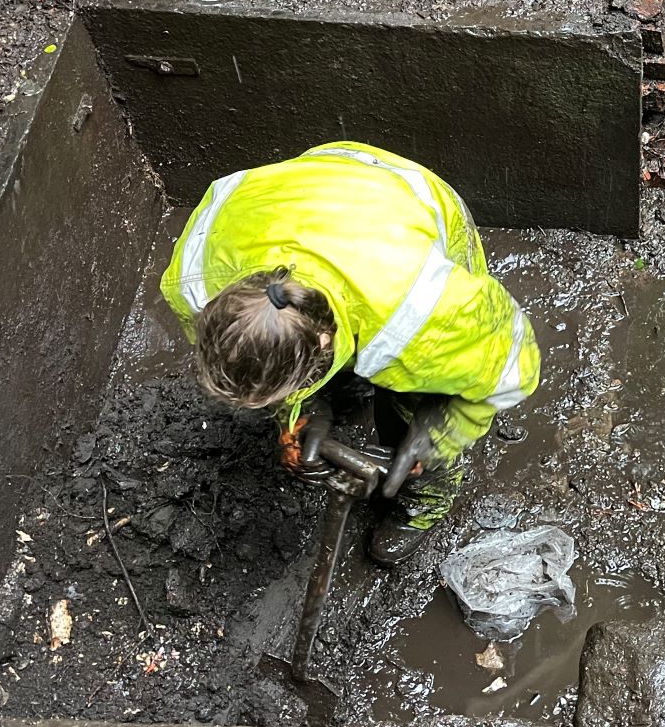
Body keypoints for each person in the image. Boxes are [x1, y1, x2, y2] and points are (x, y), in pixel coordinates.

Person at [160, 141, 541, 565]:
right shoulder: (194, 281)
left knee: (414, 396)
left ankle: (425, 502)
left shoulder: (423, 312)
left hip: (412, 203)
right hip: (322, 183)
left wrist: (437, 432)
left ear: (323, 344)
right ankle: (336, 389)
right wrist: (302, 409)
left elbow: (513, 365)